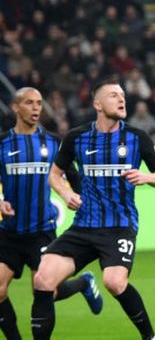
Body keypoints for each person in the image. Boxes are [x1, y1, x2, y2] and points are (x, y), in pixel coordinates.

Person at [30, 79, 155, 340]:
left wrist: (146, 177)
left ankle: (150, 337)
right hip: (83, 226)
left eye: (123, 95)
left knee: (114, 282)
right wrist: (66, 193)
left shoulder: (138, 138)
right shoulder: (76, 137)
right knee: (42, 280)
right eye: (114, 95)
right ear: (98, 104)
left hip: (119, 225)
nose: (121, 99)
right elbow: (55, 174)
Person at [0, 88, 103, 340]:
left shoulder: (55, 142)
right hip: (8, 232)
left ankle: (82, 283)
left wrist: (83, 201)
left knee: (46, 292)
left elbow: (75, 177)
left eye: (39, 104)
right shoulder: (3, 143)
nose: (36, 108)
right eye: (29, 103)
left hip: (41, 231)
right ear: (15, 108)